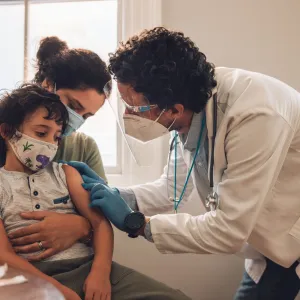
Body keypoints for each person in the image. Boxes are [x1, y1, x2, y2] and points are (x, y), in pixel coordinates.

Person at [69, 27, 300, 300]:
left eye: (134, 108)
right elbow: (171, 189)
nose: (128, 115)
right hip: (268, 243)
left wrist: (139, 224)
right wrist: (119, 196)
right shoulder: (187, 114)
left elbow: (228, 231)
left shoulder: (255, 114)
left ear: (174, 108)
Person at [7, 36, 191, 300]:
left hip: (83, 265)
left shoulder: (82, 150)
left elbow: (101, 218)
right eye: (73, 106)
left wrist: (78, 227)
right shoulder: (10, 140)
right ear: (48, 85)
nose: (75, 121)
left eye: (87, 116)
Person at [0, 84, 113, 300]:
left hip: (85, 266)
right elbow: (2, 255)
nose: (50, 144)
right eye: (41, 133)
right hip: (27, 276)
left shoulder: (66, 173)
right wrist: (54, 287)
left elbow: (100, 223)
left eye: (57, 137)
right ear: (7, 132)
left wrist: (101, 272)